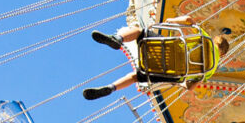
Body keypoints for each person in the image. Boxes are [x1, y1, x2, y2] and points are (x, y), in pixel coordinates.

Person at [84, 16, 231, 100]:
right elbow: (191, 87)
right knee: (136, 77)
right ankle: (111, 88)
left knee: (139, 31)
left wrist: (172, 20)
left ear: (215, 40)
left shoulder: (206, 39)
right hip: (170, 72)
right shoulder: (211, 70)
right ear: (223, 54)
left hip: (169, 50)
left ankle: (118, 39)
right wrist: (179, 84)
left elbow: (188, 19)